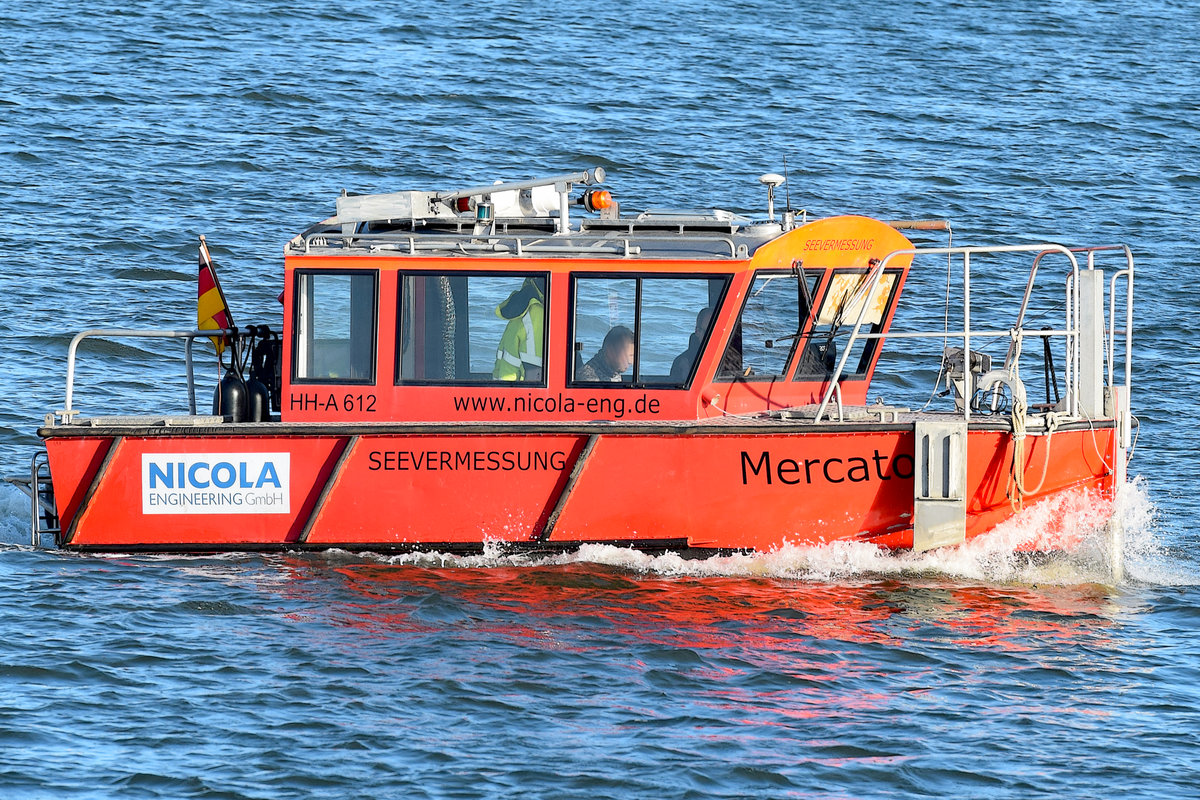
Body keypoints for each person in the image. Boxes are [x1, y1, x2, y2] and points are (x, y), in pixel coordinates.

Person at [492, 277, 545, 381]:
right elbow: (535, 376)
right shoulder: (537, 314)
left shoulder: (525, 306)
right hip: (516, 395)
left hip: (503, 390)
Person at [669, 307, 711, 382]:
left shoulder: (730, 357)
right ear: (697, 332)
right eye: (708, 332)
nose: (712, 336)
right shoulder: (682, 363)